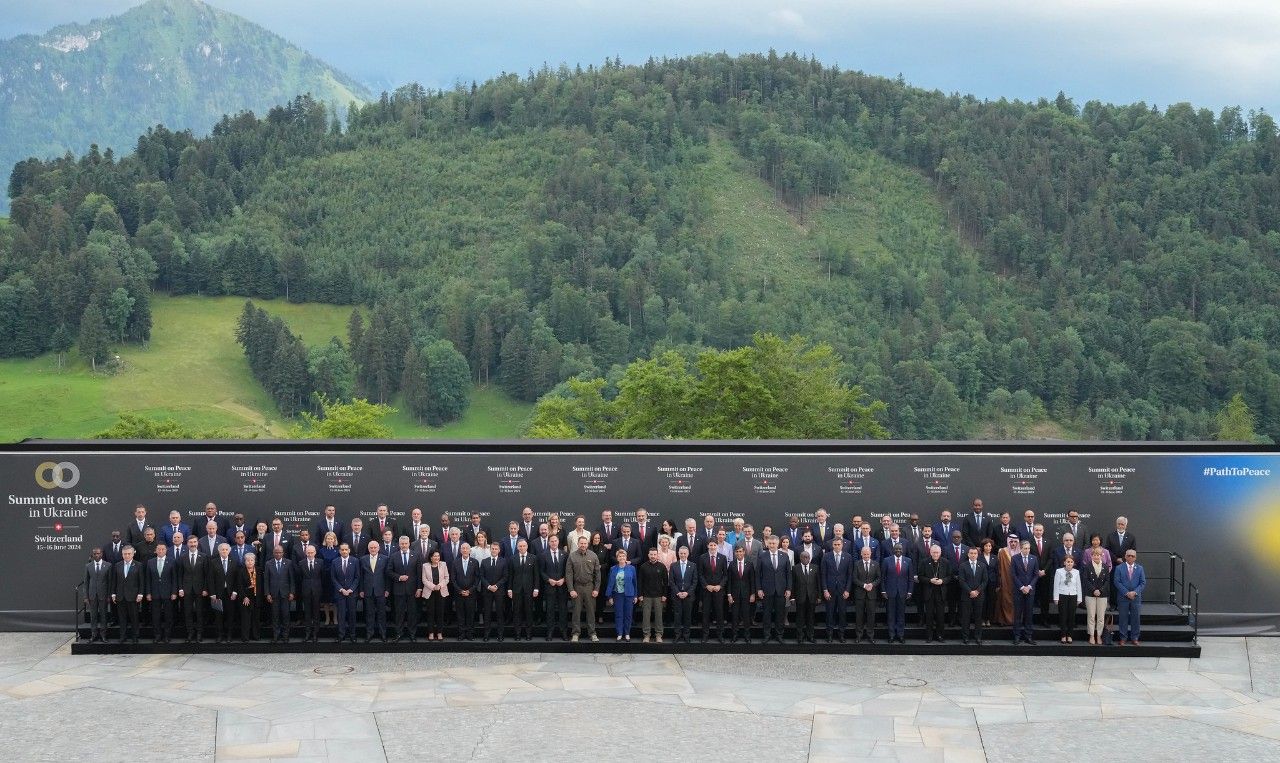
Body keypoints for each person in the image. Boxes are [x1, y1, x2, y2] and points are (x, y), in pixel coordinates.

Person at [756, 535, 791, 643]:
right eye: (770, 543)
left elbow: (788, 574)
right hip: (766, 590)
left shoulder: (784, 556)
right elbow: (758, 574)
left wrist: (789, 589)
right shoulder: (762, 556)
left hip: (781, 590)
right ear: (767, 544)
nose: (772, 545)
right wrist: (759, 589)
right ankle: (767, 635)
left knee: (780, 614)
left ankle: (779, 635)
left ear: (778, 544)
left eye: (774, 543)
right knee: (766, 614)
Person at [567, 535, 601, 643]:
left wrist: (596, 589)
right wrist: (571, 589)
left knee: (591, 612)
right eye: (581, 543)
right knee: (576, 612)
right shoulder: (572, 556)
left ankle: (592, 633)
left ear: (587, 544)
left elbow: (597, 574)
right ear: (578, 544)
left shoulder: (593, 556)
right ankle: (576, 634)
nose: (583, 545)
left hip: (590, 587)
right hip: (577, 587)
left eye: (585, 543)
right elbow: (568, 574)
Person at [207, 542, 240, 643]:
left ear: (229, 551)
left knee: (230, 615)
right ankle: (219, 635)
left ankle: (229, 635)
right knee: (218, 616)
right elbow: (210, 579)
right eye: (222, 549)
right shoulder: (213, 562)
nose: (224, 551)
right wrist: (212, 593)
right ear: (219, 551)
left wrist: (235, 592)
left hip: (230, 594)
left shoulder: (234, 561)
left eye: (226, 549)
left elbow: (237, 579)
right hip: (217, 593)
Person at [506, 538, 539, 641]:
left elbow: (536, 575)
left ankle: (529, 634)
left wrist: (536, 589)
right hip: (516, 590)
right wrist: (509, 589)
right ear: (517, 547)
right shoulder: (512, 558)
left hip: (529, 590)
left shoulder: (533, 558)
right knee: (517, 612)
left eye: (524, 546)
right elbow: (510, 575)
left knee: (529, 612)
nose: (522, 548)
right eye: (520, 546)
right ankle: (518, 634)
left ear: (527, 547)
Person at [389, 536, 420, 642]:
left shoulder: (415, 555)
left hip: (412, 590)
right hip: (398, 590)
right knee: (399, 613)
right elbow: (389, 571)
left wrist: (419, 588)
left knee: (412, 613)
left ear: (409, 543)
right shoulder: (393, 556)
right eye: (402, 543)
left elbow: (419, 573)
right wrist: (399, 577)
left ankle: (412, 634)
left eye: (405, 543)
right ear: (399, 544)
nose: (404, 545)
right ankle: (399, 633)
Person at [822, 538, 853, 642]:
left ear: (842, 545)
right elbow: (823, 575)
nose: (836, 546)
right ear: (832, 545)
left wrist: (847, 590)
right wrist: (825, 590)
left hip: (842, 591)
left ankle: (841, 635)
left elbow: (850, 576)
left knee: (842, 613)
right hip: (830, 590)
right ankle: (829, 635)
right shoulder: (826, 556)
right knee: (830, 613)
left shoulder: (848, 557)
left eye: (838, 544)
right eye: (835, 544)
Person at [881, 543, 912, 644]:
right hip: (890, 592)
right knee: (890, 614)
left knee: (901, 615)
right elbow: (882, 577)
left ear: (903, 550)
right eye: (896, 549)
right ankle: (891, 635)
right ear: (893, 550)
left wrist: (910, 591)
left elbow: (910, 578)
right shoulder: (886, 560)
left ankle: (900, 635)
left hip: (903, 592)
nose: (898, 550)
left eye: (900, 549)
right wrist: (883, 590)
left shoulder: (908, 561)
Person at [177, 536, 207, 642]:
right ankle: (190, 633)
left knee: (199, 612)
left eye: (194, 542)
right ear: (187, 544)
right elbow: (180, 574)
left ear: (197, 543)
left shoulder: (204, 556)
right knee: (188, 612)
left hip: (200, 590)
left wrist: (205, 588)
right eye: (190, 542)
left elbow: (206, 575)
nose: (193, 544)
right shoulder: (182, 557)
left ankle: (199, 633)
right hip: (187, 589)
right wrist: (180, 588)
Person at [540, 535, 569, 641]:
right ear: (548, 543)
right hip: (550, 587)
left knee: (563, 610)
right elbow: (541, 571)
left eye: (555, 541)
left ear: (558, 542)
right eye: (551, 541)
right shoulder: (543, 555)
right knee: (550, 610)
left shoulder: (565, 554)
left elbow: (568, 570)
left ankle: (564, 632)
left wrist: (564, 579)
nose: (553, 543)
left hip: (562, 587)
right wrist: (548, 580)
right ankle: (550, 632)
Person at [605, 548, 638, 641]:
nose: (622, 557)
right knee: (619, 614)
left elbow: (635, 582)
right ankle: (619, 633)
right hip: (617, 595)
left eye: (623, 556)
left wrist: (635, 595)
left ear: (626, 557)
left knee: (628, 615)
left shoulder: (632, 568)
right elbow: (610, 583)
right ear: (617, 558)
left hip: (629, 594)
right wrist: (609, 596)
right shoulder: (613, 569)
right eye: (620, 556)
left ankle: (627, 633)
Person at [637, 547, 669, 643]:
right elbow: (640, 582)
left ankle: (659, 635)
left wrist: (664, 595)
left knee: (659, 616)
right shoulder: (643, 567)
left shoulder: (662, 567)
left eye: (655, 554)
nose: (653, 556)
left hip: (659, 596)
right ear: (648, 555)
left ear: (657, 555)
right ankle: (646, 635)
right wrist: (640, 595)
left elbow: (666, 582)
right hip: (646, 596)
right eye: (651, 554)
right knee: (646, 617)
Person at [698, 540, 727, 643]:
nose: (713, 547)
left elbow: (725, 575)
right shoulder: (702, 558)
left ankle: (720, 635)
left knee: (719, 613)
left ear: (717, 546)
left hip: (718, 590)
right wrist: (706, 585)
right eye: (711, 545)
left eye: (715, 545)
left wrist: (720, 585)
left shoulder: (723, 557)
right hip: (707, 591)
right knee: (705, 613)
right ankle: (705, 635)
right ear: (708, 546)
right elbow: (700, 574)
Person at [1114, 549, 1146, 645]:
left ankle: (1135, 637)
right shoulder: (1119, 568)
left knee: (1135, 618)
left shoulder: (1140, 568)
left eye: (1132, 556)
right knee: (1123, 618)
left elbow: (1143, 582)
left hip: (1135, 598)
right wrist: (1127, 593)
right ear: (1125, 556)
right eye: (1128, 555)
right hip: (1123, 597)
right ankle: (1123, 638)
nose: (1130, 557)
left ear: (1135, 557)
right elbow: (1117, 582)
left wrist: (1135, 592)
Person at [957, 545, 987, 645]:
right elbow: (961, 581)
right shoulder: (963, 565)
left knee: (978, 618)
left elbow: (985, 581)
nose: (973, 555)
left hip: (979, 596)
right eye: (971, 553)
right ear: (968, 554)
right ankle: (965, 637)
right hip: (966, 596)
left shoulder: (982, 565)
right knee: (966, 617)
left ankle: (978, 637)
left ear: (978, 555)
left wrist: (977, 591)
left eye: (975, 553)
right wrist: (970, 591)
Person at [331, 543, 361, 643]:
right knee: (341, 615)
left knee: (352, 615)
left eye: (346, 550)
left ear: (349, 550)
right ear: (339, 551)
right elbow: (333, 578)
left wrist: (351, 589)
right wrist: (341, 589)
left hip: (352, 593)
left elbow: (357, 577)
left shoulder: (355, 561)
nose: (344, 551)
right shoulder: (335, 561)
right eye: (342, 550)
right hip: (340, 593)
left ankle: (353, 635)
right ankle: (341, 635)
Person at [919, 545, 949, 643]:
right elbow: (920, 577)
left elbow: (950, 576)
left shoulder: (945, 562)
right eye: (934, 552)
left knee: (941, 616)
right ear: (930, 553)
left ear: (940, 553)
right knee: (929, 616)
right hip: (929, 592)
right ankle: (929, 636)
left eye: (937, 552)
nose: (935, 554)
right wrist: (929, 580)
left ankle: (940, 636)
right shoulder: (924, 562)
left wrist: (943, 581)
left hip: (941, 592)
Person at [264, 545, 294, 643]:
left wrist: (292, 592)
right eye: (276, 552)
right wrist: (267, 593)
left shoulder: (289, 563)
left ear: (283, 553)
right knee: (275, 616)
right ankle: (276, 636)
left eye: (280, 552)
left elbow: (292, 579)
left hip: (285, 594)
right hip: (273, 595)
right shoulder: (268, 563)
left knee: (286, 616)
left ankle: (285, 636)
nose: (278, 554)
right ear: (273, 553)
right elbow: (266, 580)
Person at [669, 544, 698, 643]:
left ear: (688, 554)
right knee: (677, 616)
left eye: (684, 553)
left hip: (688, 596)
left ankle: (686, 636)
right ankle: (677, 635)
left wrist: (687, 592)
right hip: (677, 596)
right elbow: (671, 581)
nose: (683, 555)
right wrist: (677, 592)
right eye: (681, 553)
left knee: (687, 616)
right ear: (678, 554)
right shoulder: (673, 565)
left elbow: (695, 581)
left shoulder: (693, 565)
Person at [1011, 540, 1038, 645]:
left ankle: (1028, 636)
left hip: (1030, 591)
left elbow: (1036, 575)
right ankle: (1017, 636)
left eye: (1028, 548)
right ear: (1021, 548)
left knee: (1029, 615)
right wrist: (1022, 587)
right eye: (1025, 548)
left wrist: (1029, 586)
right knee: (1017, 615)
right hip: (1019, 591)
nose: (1027, 550)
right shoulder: (1014, 558)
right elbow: (1013, 575)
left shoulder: (1034, 558)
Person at [450, 543, 480, 640]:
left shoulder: (475, 562)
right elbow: (453, 579)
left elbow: (477, 578)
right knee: (460, 614)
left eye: (467, 548)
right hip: (459, 593)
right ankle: (462, 633)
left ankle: (470, 633)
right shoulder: (455, 562)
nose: (465, 550)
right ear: (460, 550)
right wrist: (460, 590)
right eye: (463, 548)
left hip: (471, 594)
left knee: (470, 614)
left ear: (470, 551)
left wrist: (470, 590)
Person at [1082, 547, 1111, 645]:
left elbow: (1107, 581)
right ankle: (1091, 635)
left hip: (1102, 595)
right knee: (1091, 616)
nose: (1096, 556)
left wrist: (1100, 590)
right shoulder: (1087, 566)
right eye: (1094, 555)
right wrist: (1094, 590)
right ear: (1091, 556)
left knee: (1101, 617)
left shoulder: (1106, 567)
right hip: (1090, 594)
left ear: (1102, 556)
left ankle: (1099, 635)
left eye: (1098, 555)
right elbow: (1085, 580)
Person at [296, 544, 325, 642]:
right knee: (307, 613)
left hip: (317, 591)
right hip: (306, 591)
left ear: (315, 553)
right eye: (308, 552)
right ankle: (307, 634)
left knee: (316, 613)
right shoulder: (301, 563)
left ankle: (315, 634)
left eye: (312, 552)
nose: (310, 554)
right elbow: (299, 578)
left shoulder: (320, 562)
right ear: (305, 553)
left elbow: (323, 576)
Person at [83, 548, 113, 642]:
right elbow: (86, 582)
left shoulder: (108, 565)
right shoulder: (88, 566)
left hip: (103, 595)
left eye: (98, 553)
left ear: (101, 554)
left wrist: (109, 595)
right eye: (94, 554)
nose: (96, 555)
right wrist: (85, 596)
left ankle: (103, 635)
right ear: (92, 554)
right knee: (93, 616)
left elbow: (110, 582)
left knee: (104, 616)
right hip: (92, 595)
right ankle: (93, 634)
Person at [790, 550, 820, 643]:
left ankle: (810, 636)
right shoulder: (795, 568)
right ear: (800, 558)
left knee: (811, 618)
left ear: (810, 558)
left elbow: (818, 583)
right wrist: (792, 597)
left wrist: (819, 596)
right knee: (800, 618)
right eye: (803, 557)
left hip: (812, 597)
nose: (805, 559)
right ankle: (800, 637)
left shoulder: (815, 568)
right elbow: (793, 584)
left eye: (807, 557)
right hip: (800, 597)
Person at [852, 545, 879, 643]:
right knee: (859, 616)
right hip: (860, 594)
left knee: (871, 616)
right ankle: (859, 635)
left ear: (871, 554)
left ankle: (870, 636)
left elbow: (879, 578)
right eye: (864, 554)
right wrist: (864, 585)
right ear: (861, 554)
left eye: (868, 554)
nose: (866, 556)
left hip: (872, 594)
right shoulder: (856, 564)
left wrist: (872, 584)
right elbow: (854, 578)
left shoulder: (875, 564)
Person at [421, 549, 450, 641]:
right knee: (430, 613)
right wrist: (433, 586)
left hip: (441, 592)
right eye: (434, 556)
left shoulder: (443, 564)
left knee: (440, 613)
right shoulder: (425, 566)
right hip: (430, 592)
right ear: (431, 557)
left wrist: (439, 586)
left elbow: (447, 578)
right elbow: (424, 580)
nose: (437, 558)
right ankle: (431, 633)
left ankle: (439, 632)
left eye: (438, 556)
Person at [1053, 555, 1082, 643]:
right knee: (1063, 616)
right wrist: (1056, 597)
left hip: (1073, 595)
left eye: (1071, 562)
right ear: (1064, 563)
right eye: (1068, 562)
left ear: (1074, 563)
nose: (1069, 563)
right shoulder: (1059, 571)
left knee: (1071, 616)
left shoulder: (1076, 572)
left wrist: (1079, 598)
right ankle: (1063, 635)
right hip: (1062, 595)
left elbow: (1078, 585)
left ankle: (1069, 635)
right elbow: (1056, 585)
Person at [995, 533, 1019, 626]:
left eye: (1015, 542)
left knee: (1015, 601)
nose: (1013, 543)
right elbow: (999, 567)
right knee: (1005, 599)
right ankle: (1004, 620)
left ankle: (1014, 620)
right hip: (1005, 580)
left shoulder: (1020, 552)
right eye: (1011, 541)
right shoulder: (1002, 551)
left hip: (1017, 581)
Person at [318, 531, 341, 625]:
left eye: (332, 538)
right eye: (328, 538)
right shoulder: (321, 550)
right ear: (325, 540)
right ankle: (327, 618)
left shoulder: (338, 550)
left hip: (335, 578)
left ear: (334, 540)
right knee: (326, 600)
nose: (330, 540)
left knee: (335, 600)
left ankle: (335, 618)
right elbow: (320, 564)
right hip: (325, 578)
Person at [239, 552, 262, 642]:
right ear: (245, 562)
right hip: (246, 598)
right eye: (247, 560)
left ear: (254, 561)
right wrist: (244, 596)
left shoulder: (259, 570)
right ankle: (245, 637)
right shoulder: (241, 571)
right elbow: (239, 585)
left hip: (257, 597)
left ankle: (256, 636)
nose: (250, 562)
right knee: (246, 619)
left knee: (256, 618)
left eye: (251, 560)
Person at [589, 532, 611, 624]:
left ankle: (600, 615)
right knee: (590, 597)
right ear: (592, 539)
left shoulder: (604, 548)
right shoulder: (588, 548)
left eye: (598, 538)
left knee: (601, 597)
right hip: (590, 576)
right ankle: (591, 616)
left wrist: (600, 567)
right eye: (595, 538)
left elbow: (608, 563)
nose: (597, 540)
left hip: (602, 576)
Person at [979, 539, 998, 627]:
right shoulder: (979, 557)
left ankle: (988, 619)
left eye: (989, 546)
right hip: (981, 582)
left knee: (991, 601)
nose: (988, 547)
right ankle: (982, 619)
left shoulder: (995, 557)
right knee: (982, 600)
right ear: (983, 547)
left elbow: (997, 571)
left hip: (992, 582)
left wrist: (998, 584)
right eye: (986, 546)